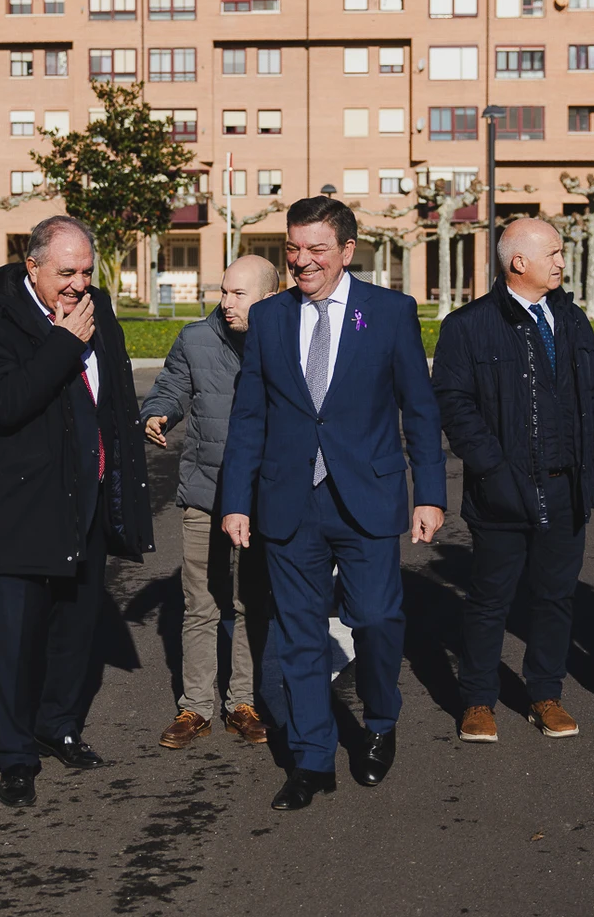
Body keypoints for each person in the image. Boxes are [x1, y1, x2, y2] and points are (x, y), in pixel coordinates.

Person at [220, 196, 446, 811]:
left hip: (366, 496)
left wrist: (429, 493)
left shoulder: (391, 313)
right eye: (293, 249)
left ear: (348, 251)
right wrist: (236, 500)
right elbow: (250, 417)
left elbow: (420, 411)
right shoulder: (268, 319)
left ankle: (378, 722)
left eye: (317, 250)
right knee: (298, 634)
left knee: (375, 618)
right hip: (288, 501)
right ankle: (312, 759)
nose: (302, 262)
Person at [0, 215, 155, 808]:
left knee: (76, 632)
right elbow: (5, 403)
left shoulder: (97, 311)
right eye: (65, 273)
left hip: (89, 502)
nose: (78, 285)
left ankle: (60, 726)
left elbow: (113, 398)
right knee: (16, 644)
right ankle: (16, 756)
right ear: (32, 268)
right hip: (23, 509)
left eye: (85, 271)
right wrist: (64, 342)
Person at [430, 218, 594, 744]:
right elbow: (454, 403)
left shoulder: (574, 321)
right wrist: (492, 467)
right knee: (490, 601)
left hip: (567, 487)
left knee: (556, 599)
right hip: (501, 491)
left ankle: (545, 695)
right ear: (519, 262)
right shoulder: (468, 325)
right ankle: (477, 701)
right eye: (554, 253)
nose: (562, 261)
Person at [141, 255, 280, 750]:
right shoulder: (196, 339)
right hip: (205, 495)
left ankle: (241, 702)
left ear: (268, 296)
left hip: (264, 501)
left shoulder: (288, 340)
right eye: (223, 291)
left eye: (238, 294)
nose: (225, 303)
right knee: (200, 604)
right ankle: (196, 706)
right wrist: (158, 413)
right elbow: (173, 386)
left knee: (250, 604)